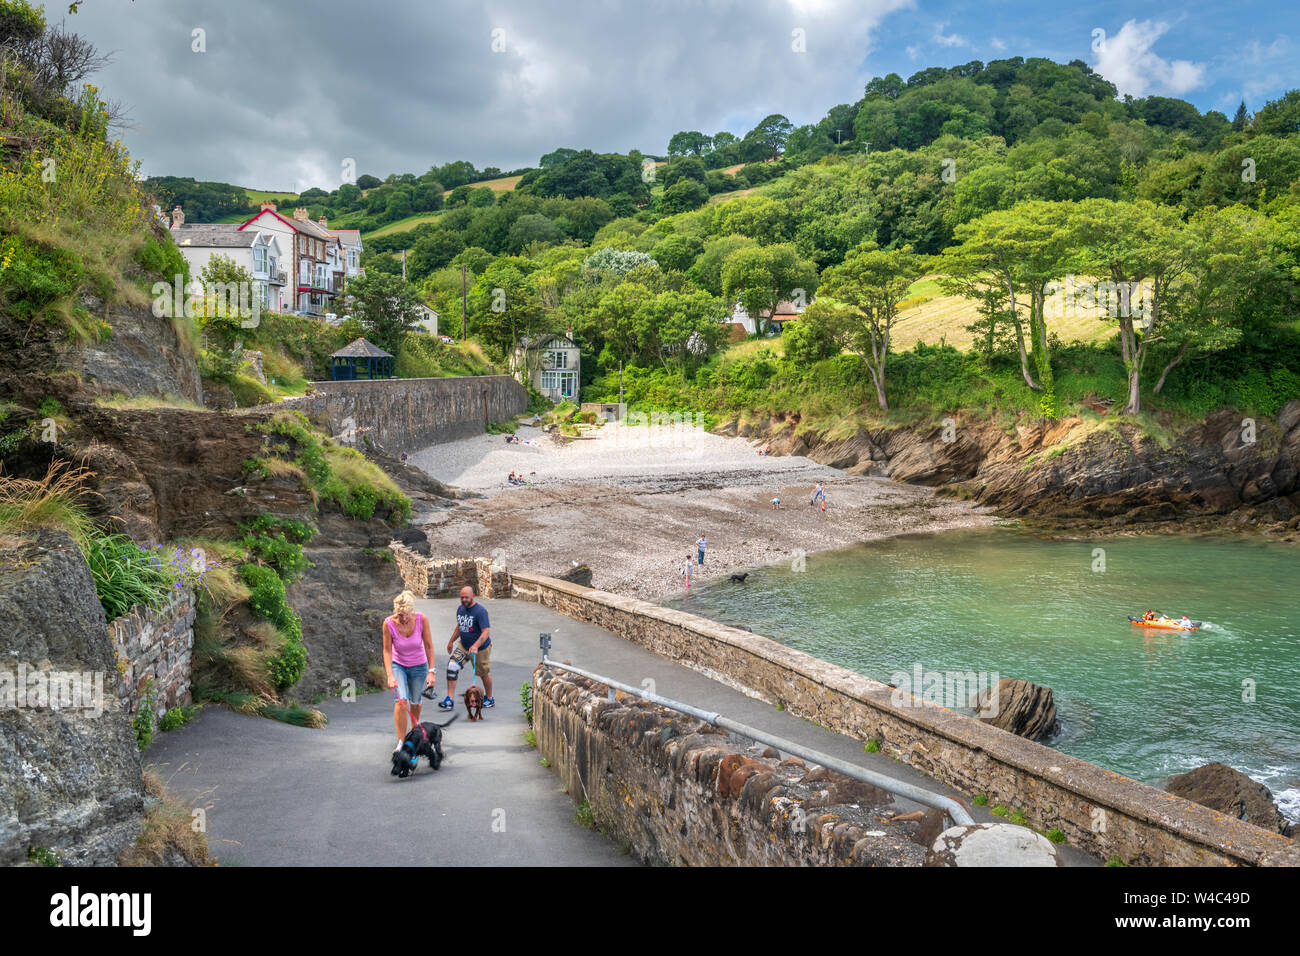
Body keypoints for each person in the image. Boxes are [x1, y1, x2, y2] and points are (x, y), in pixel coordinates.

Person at [382, 590, 435, 752]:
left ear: (412, 611)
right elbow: (387, 650)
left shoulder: (421, 619)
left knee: (415, 701)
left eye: (406, 615)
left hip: (419, 665)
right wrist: (390, 674)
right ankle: (401, 741)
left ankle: (414, 734)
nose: (403, 619)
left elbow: (428, 646)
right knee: (401, 700)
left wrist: (431, 671)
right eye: (399, 615)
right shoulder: (389, 623)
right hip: (399, 664)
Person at [440, 586, 493, 710]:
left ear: (473, 596)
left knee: (483, 674)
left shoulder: (480, 611)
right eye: (462, 597)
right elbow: (459, 626)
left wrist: (476, 645)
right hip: (464, 646)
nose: (464, 600)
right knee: (452, 667)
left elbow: (486, 632)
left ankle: (490, 698)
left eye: (466, 597)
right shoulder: (460, 609)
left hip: (480, 649)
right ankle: (449, 700)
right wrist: (451, 641)